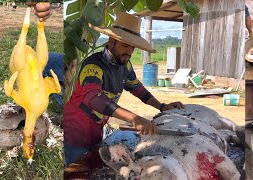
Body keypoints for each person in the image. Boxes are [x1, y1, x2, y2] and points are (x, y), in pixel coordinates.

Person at [63, 12, 184, 166]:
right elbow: (94, 98)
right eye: (126, 45)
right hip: (74, 134)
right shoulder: (93, 65)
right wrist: (134, 119)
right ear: (112, 41)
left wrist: (162, 106)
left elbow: (138, 89)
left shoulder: (124, 65)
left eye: (133, 47)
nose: (130, 51)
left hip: (95, 132)